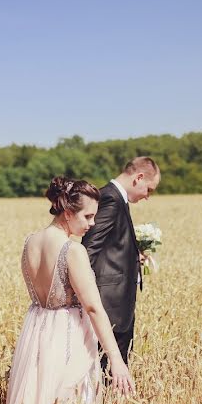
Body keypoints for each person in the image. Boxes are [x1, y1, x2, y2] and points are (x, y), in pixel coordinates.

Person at [0, 176, 135, 404]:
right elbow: (92, 306)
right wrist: (115, 358)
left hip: (37, 330)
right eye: (87, 216)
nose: (92, 224)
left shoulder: (30, 243)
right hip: (68, 336)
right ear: (67, 212)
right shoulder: (72, 250)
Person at [81, 157, 160, 380]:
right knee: (107, 374)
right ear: (139, 178)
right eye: (149, 190)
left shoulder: (117, 199)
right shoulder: (111, 198)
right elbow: (88, 250)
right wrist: (87, 298)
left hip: (115, 305)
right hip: (109, 305)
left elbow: (109, 245)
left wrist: (134, 257)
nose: (147, 196)